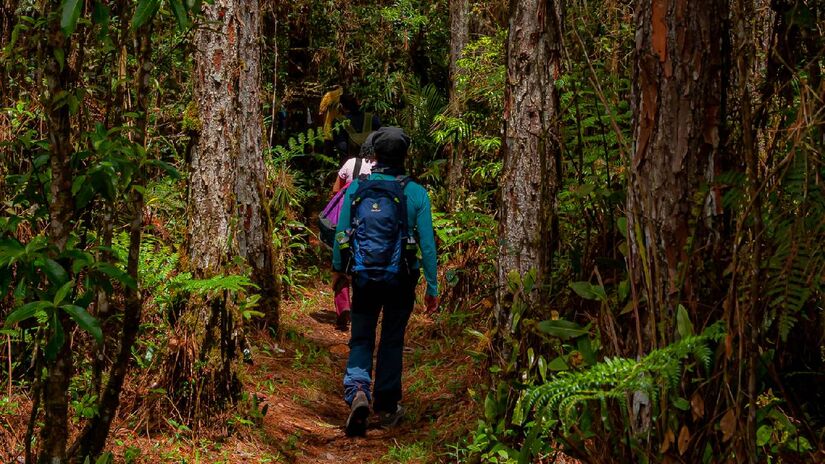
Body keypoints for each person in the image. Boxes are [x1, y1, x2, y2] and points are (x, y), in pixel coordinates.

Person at [332, 126, 439, 437]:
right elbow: (428, 246)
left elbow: (341, 233)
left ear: (375, 156)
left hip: (364, 276)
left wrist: (340, 270)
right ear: (405, 156)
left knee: (362, 337)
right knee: (392, 339)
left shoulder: (355, 190)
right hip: (401, 279)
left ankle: (358, 391)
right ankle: (388, 405)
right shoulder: (416, 193)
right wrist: (432, 288)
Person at [328, 136, 377, 330]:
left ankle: (343, 308)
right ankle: (361, 311)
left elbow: (335, 190)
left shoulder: (352, 163)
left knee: (339, 269)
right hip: (370, 229)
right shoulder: (383, 170)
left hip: (346, 225)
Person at [333, 94, 381, 160]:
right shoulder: (372, 118)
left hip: (351, 163)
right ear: (357, 103)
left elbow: (342, 146)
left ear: (341, 106)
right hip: (372, 161)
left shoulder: (339, 121)